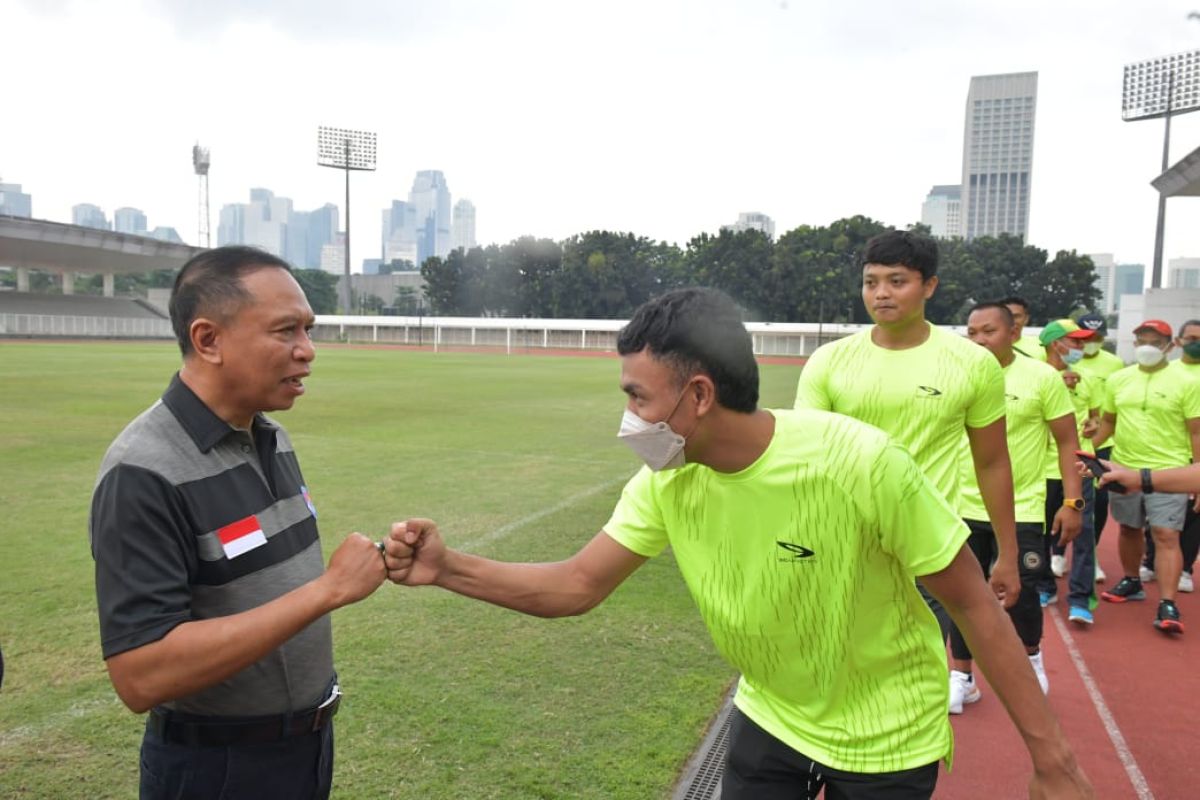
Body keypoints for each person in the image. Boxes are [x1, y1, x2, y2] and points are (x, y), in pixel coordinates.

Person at [385, 287, 1092, 799]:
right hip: (769, 714)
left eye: (637, 396)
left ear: (697, 396)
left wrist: (1053, 760)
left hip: (886, 736)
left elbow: (973, 606)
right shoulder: (666, 479)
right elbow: (577, 586)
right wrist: (448, 568)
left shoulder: (858, 461)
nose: (627, 417)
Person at [89, 246, 399, 799]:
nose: (308, 351)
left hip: (304, 749)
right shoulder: (143, 472)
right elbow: (141, 675)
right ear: (209, 340)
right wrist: (328, 590)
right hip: (217, 769)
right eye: (285, 331)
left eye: (309, 329)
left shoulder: (271, 436)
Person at [793, 230, 1020, 628]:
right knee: (840, 668)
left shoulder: (973, 364)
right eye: (871, 282)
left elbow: (993, 462)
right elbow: (805, 458)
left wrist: (1008, 552)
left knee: (920, 676)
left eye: (897, 281)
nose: (881, 293)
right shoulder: (828, 361)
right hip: (844, 545)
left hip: (929, 550)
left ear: (929, 286)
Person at [947, 305, 1082, 714]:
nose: (979, 339)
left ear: (1014, 333)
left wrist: (1073, 502)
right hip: (961, 503)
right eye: (972, 332)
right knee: (962, 592)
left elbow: (1065, 442)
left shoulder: (1042, 378)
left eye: (988, 331)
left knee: (1020, 592)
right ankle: (962, 676)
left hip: (1021, 506)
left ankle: (1031, 658)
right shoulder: (958, 375)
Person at [1093, 320, 1200, 634]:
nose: (1147, 346)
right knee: (1129, 529)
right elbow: (1108, 422)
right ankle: (1132, 579)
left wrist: (1197, 476)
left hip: (1170, 472)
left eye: (1155, 340)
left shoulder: (1187, 382)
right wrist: (1085, 449)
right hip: (1124, 468)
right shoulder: (1118, 379)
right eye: (1142, 340)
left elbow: (1196, 432)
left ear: (1170, 344)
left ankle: (1168, 602)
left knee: (1166, 536)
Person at [1035, 319, 1101, 622]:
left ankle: (1080, 598)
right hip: (1040, 467)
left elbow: (1096, 418)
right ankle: (1044, 584)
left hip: (1080, 467)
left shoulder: (1087, 378)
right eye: (1074, 341)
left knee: (1084, 530)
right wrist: (1055, 383)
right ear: (1055, 343)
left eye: (1080, 342)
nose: (1079, 347)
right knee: (1041, 530)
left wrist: (1093, 426)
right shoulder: (1034, 375)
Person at [1140, 319, 1200, 593]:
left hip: (1194, 455)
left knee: (1192, 515)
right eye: (1191, 338)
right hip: (1169, 452)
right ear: (1178, 342)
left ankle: (1185, 568)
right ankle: (1151, 561)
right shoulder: (1170, 372)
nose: (1195, 343)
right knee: (1158, 515)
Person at [1071, 312, 1125, 580]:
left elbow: (1109, 407)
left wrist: (1097, 432)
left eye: (1097, 337)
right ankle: (1058, 552)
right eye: (1086, 337)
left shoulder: (1115, 363)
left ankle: (1091, 554)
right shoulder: (1067, 360)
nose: (1091, 342)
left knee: (1100, 500)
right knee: (1067, 498)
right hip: (1074, 441)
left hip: (1104, 440)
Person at [1003, 296, 1046, 362]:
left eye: (1016, 316)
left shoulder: (1041, 345)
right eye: (1007, 316)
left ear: (1026, 319)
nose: (1012, 320)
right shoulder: (988, 347)